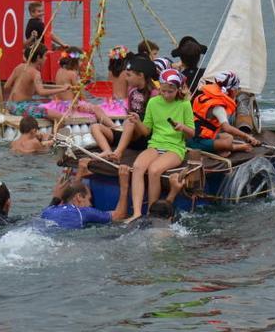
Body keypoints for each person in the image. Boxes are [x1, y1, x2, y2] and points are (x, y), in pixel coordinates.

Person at [126, 69, 194, 222]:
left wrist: (182, 127)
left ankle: (152, 212)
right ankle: (136, 213)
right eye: (163, 91)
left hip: (175, 147)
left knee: (154, 170)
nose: (166, 95)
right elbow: (146, 131)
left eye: (171, 91)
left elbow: (192, 133)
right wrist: (137, 122)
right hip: (155, 144)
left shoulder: (184, 104)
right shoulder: (153, 102)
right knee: (137, 166)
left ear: (178, 89)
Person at [90, 56, 155, 161]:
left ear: (141, 75)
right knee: (95, 127)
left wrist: (135, 122)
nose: (126, 78)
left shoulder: (154, 94)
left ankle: (118, 153)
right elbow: (129, 112)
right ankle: (107, 151)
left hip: (142, 136)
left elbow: (150, 126)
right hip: (128, 134)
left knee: (130, 122)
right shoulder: (132, 91)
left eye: (129, 75)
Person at [187, 70, 260, 155]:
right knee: (226, 143)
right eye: (237, 89)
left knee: (229, 137)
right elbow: (226, 128)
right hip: (196, 141)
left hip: (196, 135)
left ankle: (219, 149)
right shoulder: (218, 107)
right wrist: (246, 136)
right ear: (232, 90)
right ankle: (237, 147)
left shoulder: (204, 96)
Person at [37, 164, 131, 230]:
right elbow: (119, 215)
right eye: (89, 199)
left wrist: (80, 171)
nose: (90, 204)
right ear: (79, 197)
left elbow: (71, 191)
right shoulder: (82, 212)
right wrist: (124, 184)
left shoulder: (48, 210)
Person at [3, 45, 69, 121]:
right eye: (44, 56)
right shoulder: (35, 73)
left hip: (10, 104)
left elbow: (6, 86)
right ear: (38, 57)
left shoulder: (19, 66)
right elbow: (41, 92)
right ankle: (54, 133)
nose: (46, 58)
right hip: (20, 107)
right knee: (59, 116)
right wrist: (62, 89)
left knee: (50, 107)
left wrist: (61, 87)